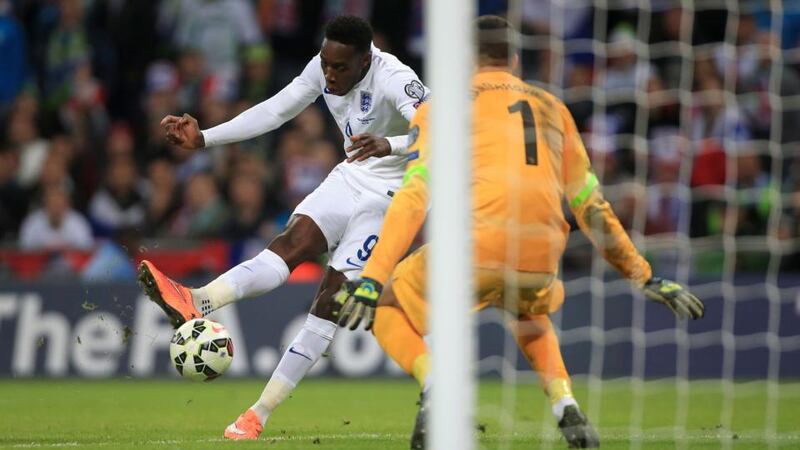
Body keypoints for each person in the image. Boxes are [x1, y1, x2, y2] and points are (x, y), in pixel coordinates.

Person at [334, 16, 705, 449]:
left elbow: (414, 194)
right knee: (527, 310)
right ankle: (564, 404)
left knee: (388, 305)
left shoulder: (444, 108)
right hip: (542, 252)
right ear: (511, 58)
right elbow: (591, 204)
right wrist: (642, 273)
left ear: (464, 59)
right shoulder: (554, 108)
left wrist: (374, 278)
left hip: (476, 245)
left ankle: (438, 389)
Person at [136, 16, 429, 440]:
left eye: (339, 67)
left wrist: (392, 144)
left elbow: (441, 127)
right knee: (292, 242)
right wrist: (205, 139)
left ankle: (260, 412)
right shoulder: (323, 66)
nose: (329, 74)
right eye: (325, 63)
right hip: (351, 176)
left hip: (394, 196)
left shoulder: (396, 79)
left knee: (330, 298)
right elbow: (276, 109)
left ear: (366, 61)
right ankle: (198, 300)